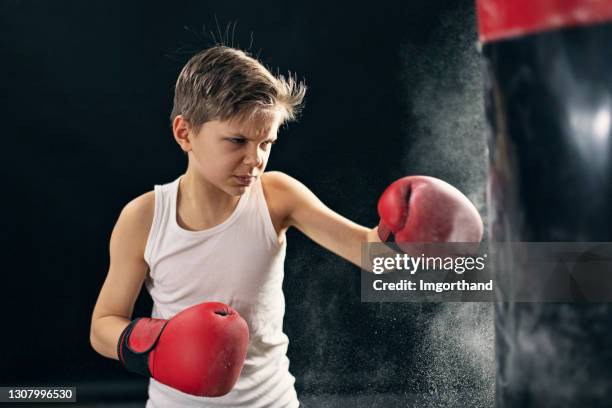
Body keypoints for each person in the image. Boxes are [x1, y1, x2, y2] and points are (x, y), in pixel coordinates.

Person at [90, 45, 482, 408]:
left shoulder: (275, 196)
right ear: (184, 133)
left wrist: (415, 245)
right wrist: (155, 345)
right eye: (237, 141)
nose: (255, 159)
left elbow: (368, 253)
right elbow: (103, 325)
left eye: (266, 143)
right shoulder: (145, 217)